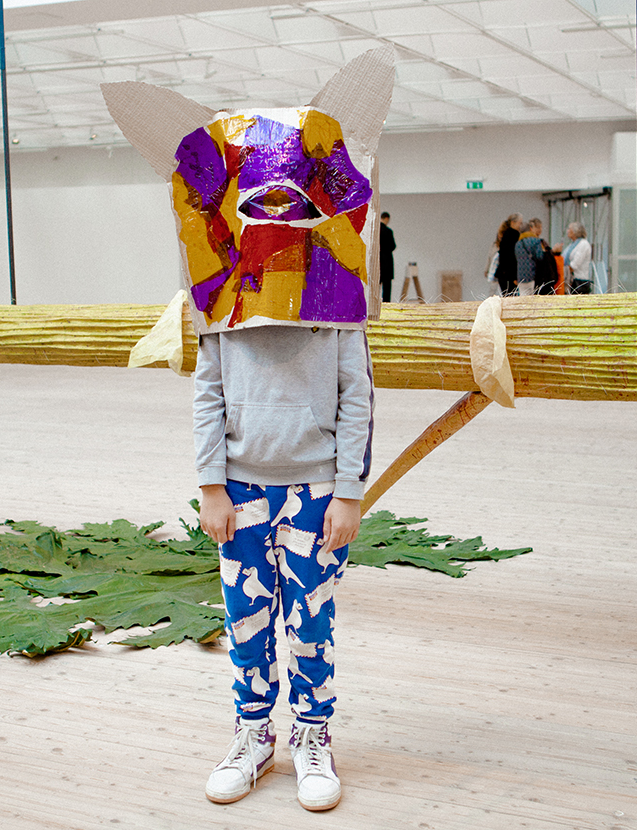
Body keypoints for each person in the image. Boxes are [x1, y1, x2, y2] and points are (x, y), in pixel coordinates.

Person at [195, 322, 372, 811]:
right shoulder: (221, 292)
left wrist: (349, 490)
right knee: (245, 622)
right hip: (239, 487)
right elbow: (207, 390)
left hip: (315, 488)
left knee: (311, 621)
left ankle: (312, 738)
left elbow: (357, 392)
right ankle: (253, 734)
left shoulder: (338, 295)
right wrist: (211, 486)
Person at [517, 218, 557, 295]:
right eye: (537, 227)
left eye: (541, 227)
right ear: (531, 228)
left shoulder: (520, 242)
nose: (540, 230)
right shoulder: (537, 242)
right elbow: (540, 257)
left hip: (525, 275)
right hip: (536, 275)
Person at [492, 214, 523, 296]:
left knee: (507, 296)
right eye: (520, 223)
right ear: (513, 223)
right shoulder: (513, 236)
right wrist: (514, 277)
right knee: (511, 298)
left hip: (503, 274)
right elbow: (512, 258)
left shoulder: (505, 235)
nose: (520, 226)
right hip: (508, 275)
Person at [562, 221, 593, 295]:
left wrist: (564, 270)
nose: (567, 231)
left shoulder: (583, 244)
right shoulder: (572, 245)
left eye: (569, 229)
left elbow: (575, 264)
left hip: (579, 281)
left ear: (575, 231)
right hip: (570, 280)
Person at [379, 212, 396, 302]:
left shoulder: (375, 231)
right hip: (387, 263)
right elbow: (392, 246)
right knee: (387, 288)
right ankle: (386, 306)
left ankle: (372, 305)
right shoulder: (388, 231)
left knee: (375, 286)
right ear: (387, 218)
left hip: (377, 262)